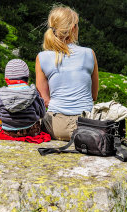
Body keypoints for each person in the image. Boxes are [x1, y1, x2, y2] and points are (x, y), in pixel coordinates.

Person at [36, 5, 99, 141]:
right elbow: (93, 96)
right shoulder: (89, 53)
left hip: (56, 127)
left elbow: (45, 100)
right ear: (73, 29)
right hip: (86, 125)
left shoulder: (42, 57)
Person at [0, 59, 46, 137]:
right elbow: (42, 114)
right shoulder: (34, 93)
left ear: (6, 79)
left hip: (7, 131)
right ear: (27, 78)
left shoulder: (0, 94)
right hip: (31, 131)